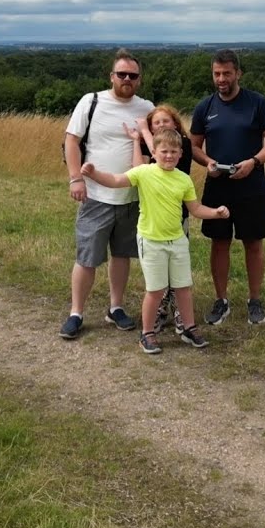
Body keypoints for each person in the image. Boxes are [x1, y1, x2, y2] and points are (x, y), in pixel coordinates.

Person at [82, 129, 229, 354]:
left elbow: (196, 209)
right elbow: (115, 180)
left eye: (173, 151)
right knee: (156, 290)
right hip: (151, 241)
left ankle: (189, 328)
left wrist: (216, 212)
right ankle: (147, 333)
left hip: (177, 241)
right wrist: (93, 173)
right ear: (154, 152)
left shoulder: (184, 179)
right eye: (164, 151)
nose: (168, 156)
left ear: (181, 154)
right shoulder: (143, 172)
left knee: (183, 287)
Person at [59, 49, 155, 340]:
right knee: (87, 257)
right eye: (121, 74)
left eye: (132, 75)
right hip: (96, 195)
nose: (127, 79)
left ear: (139, 80)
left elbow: (158, 143)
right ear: (112, 76)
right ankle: (76, 313)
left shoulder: (146, 107)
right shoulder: (92, 101)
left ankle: (116, 307)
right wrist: (76, 179)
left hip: (131, 198)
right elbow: (71, 141)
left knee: (122, 255)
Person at [190, 48, 265, 326]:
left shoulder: (257, 103)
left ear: (238, 73)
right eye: (217, 73)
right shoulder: (204, 107)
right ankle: (221, 301)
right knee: (219, 244)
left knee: (253, 244)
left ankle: (255, 301)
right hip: (217, 185)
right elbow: (193, 146)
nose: (221, 79)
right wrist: (208, 162)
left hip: (251, 184)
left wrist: (254, 161)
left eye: (227, 73)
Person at [126, 104, 195, 334]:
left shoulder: (181, 143)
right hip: (154, 224)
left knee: (178, 276)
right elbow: (137, 169)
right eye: (156, 123)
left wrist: (145, 128)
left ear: (175, 123)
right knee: (158, 279)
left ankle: (181, 318)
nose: (161, 125)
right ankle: (159, 313)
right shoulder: (157, 150)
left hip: (178, 220)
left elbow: (160, 153)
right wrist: (138, 140)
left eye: (166, 121)